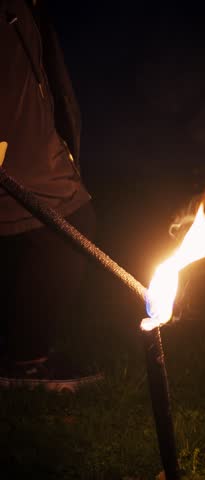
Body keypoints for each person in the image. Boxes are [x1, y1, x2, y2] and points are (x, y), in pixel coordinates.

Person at [0, 0, 101, 392]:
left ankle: (20, 350)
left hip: (26, 119)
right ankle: (24, 361)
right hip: (12, 136)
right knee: (68, 220)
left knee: (51, 226)